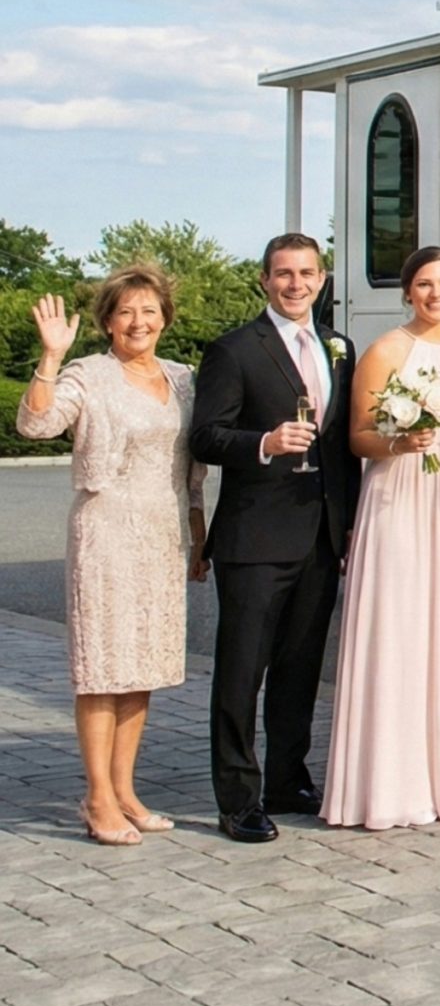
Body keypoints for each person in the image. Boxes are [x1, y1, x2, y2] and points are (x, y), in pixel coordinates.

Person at [17, 274, 206, 844]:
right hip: (105, 530)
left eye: (149, 310)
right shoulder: (89, 375)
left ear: (165, 317)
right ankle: (97, 796)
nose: (138, 322)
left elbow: (191, 473)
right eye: (126, 312)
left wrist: (199, 536)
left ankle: (125, 789)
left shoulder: (183, 379)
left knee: (140, 667)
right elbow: (35, 424)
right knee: (102, 668)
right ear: (107, 321)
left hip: (161, 532)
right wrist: (51, 358)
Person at [189, 232, 358, 843]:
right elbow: (205, 436)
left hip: (318, 535)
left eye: (307, 273)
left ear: (321, 278)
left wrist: (350, 518)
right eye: (283, 274)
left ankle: (288, 779)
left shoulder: (339, 347)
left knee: (299, 668)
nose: (295, 284)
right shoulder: (234, 350)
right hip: (254, 538)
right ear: (264, 280)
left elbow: (340, 448)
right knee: (241, 673)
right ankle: (238, 800)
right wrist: (262, 443)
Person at [322, 248, 440, 830]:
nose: (436, 293)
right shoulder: (386, 350)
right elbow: (357, 437)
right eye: (424, 283)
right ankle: (392, 781)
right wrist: (399, 443)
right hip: (398, 492)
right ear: (407, 291)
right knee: (399, 627)